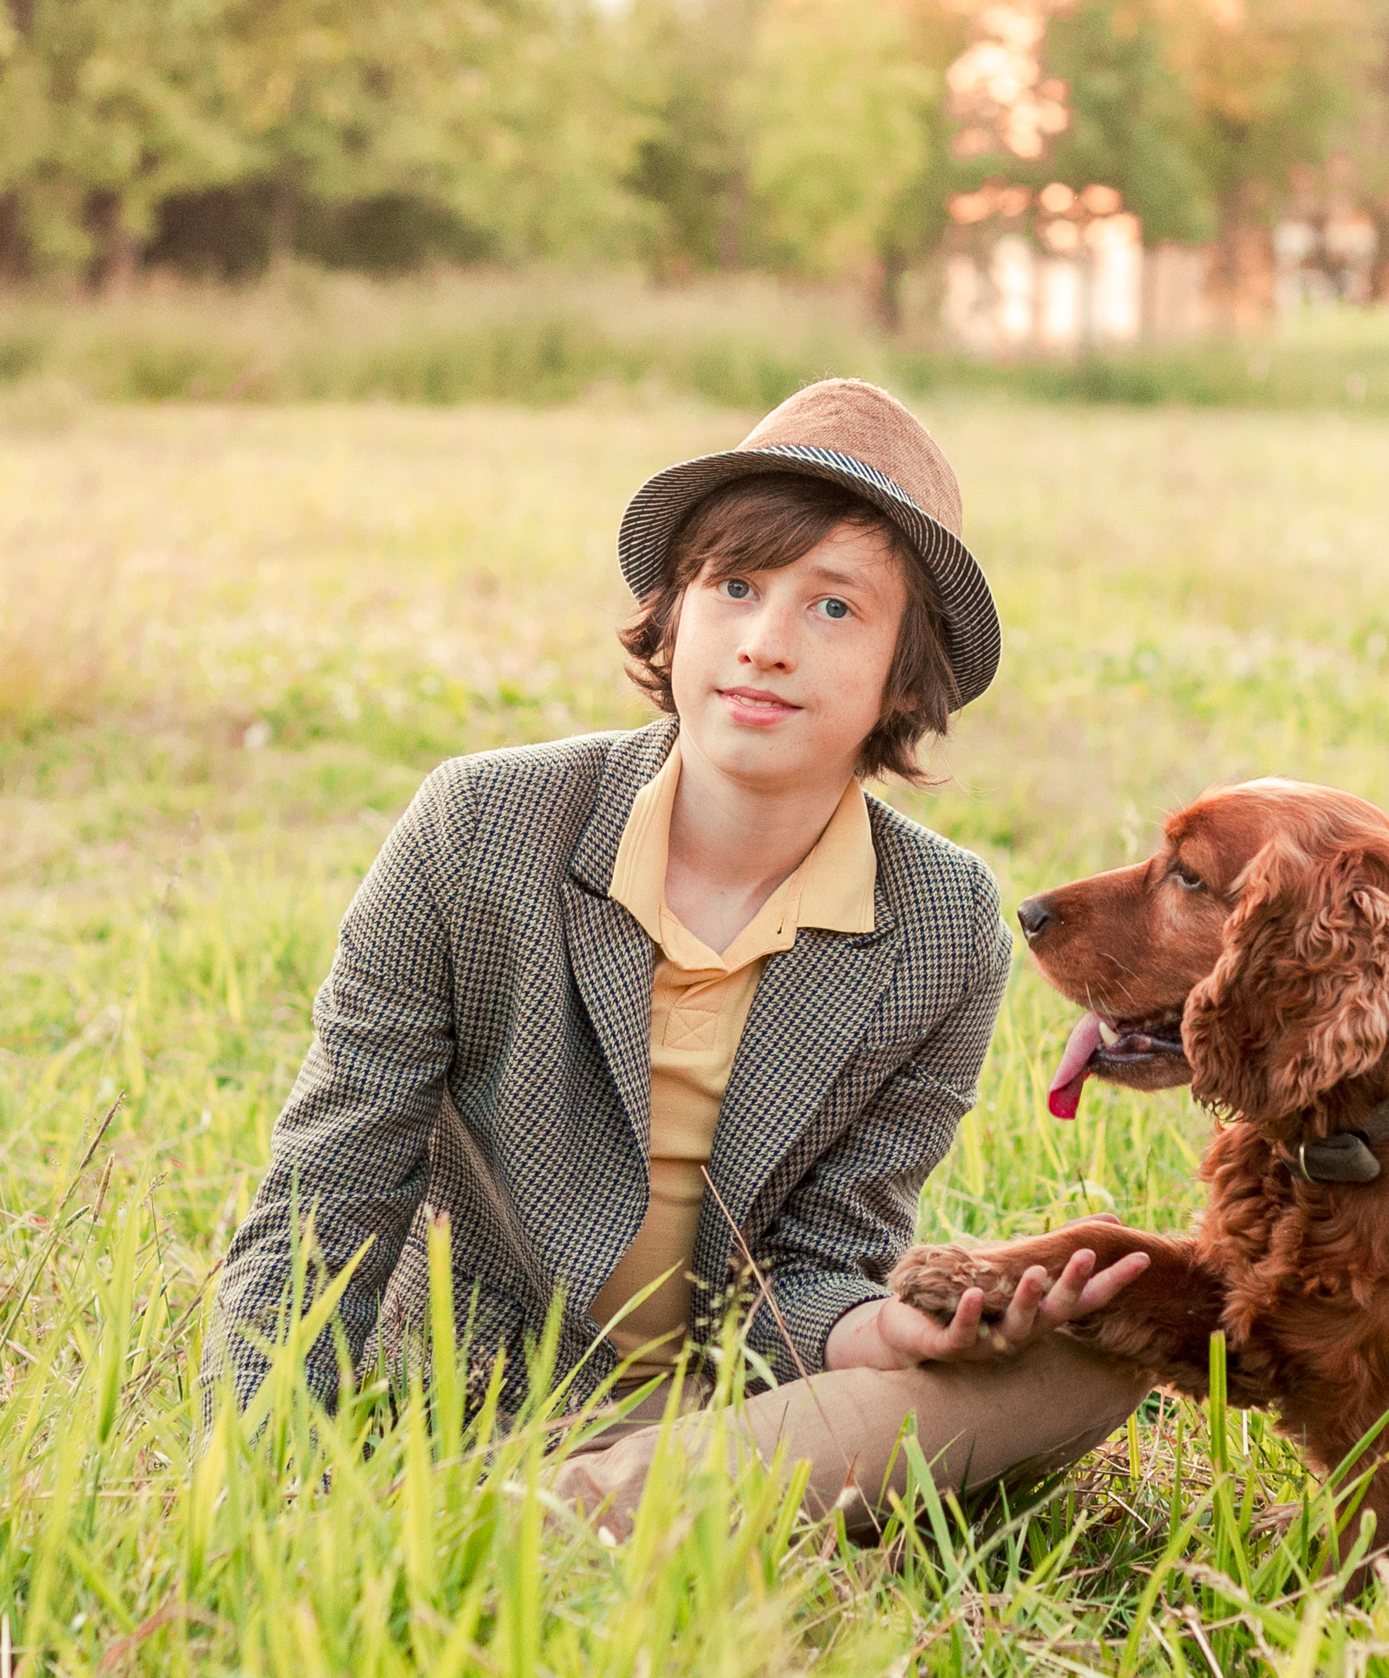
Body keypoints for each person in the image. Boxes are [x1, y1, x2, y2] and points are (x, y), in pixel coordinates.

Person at [203, 378, 1152, 1536]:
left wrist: (888, 1333)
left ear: (908, 670)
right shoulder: (479, 826)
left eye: (834, 608)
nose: (763, 644)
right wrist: (249, 1478)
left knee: (1097, 1361)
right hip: (479, 1384)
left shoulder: (944, 925)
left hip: (741, 1405)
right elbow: (328, 1188)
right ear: (672, 614)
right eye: (734, 587)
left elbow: (806, 1270)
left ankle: (556, 1523)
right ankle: (579, 1521)